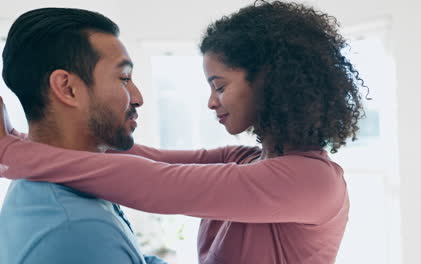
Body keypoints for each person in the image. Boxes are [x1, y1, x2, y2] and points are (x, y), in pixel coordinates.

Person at [0, 1, 365, 263]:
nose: (211, 102)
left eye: (220, 86)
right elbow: (141, 160)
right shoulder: (244, 160)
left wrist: (9, 153)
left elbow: (158, 184)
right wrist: (19, 140)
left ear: (270, 81)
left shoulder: (313, 181)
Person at [0, 8, 165, 264]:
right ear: (68, 88)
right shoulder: (77, 227)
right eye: (124, 78)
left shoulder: (46, 189)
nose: (138, 97)